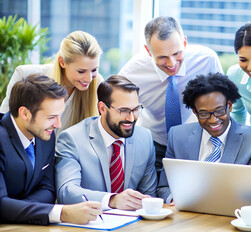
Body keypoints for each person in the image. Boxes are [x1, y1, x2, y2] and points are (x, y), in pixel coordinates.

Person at [119, 16, 223, 175]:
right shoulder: (131, 73)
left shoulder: (206, 60)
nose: (172, 63)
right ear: (148, 51)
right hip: (154, 143)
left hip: (196, 140)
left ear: (185, 43)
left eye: (177, 53)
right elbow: (118, 112)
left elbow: (223, 102)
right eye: (162, 57)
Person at [0, 74, 102, 225]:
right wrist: (62, 212)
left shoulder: (45, 136)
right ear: (24, 113)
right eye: (51, 117)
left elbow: (48, 189)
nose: (58, 124)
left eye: (59, 115)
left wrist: (16, 209)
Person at [157, 73, 251, 203]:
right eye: (204, 113)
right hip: (186, 214)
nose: (213, 120)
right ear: (194, 111)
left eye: (219, 111)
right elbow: (164, 187)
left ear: (229, 106)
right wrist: (174, 200)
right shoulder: (177, 136)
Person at [55, 75, 157, 211]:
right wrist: (112, 200)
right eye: (123, 110)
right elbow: (66, 192)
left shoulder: (145, 138)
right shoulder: (72, 139)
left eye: (136, 109)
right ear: (102, 108)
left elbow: (149, 195)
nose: (131, 118)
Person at [0, 30, 103, 134]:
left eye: (94, 70)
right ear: (62, 62)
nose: (89, 78)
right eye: (81, 71)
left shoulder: (97, 83)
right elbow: (5, 124)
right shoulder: (25, 76)